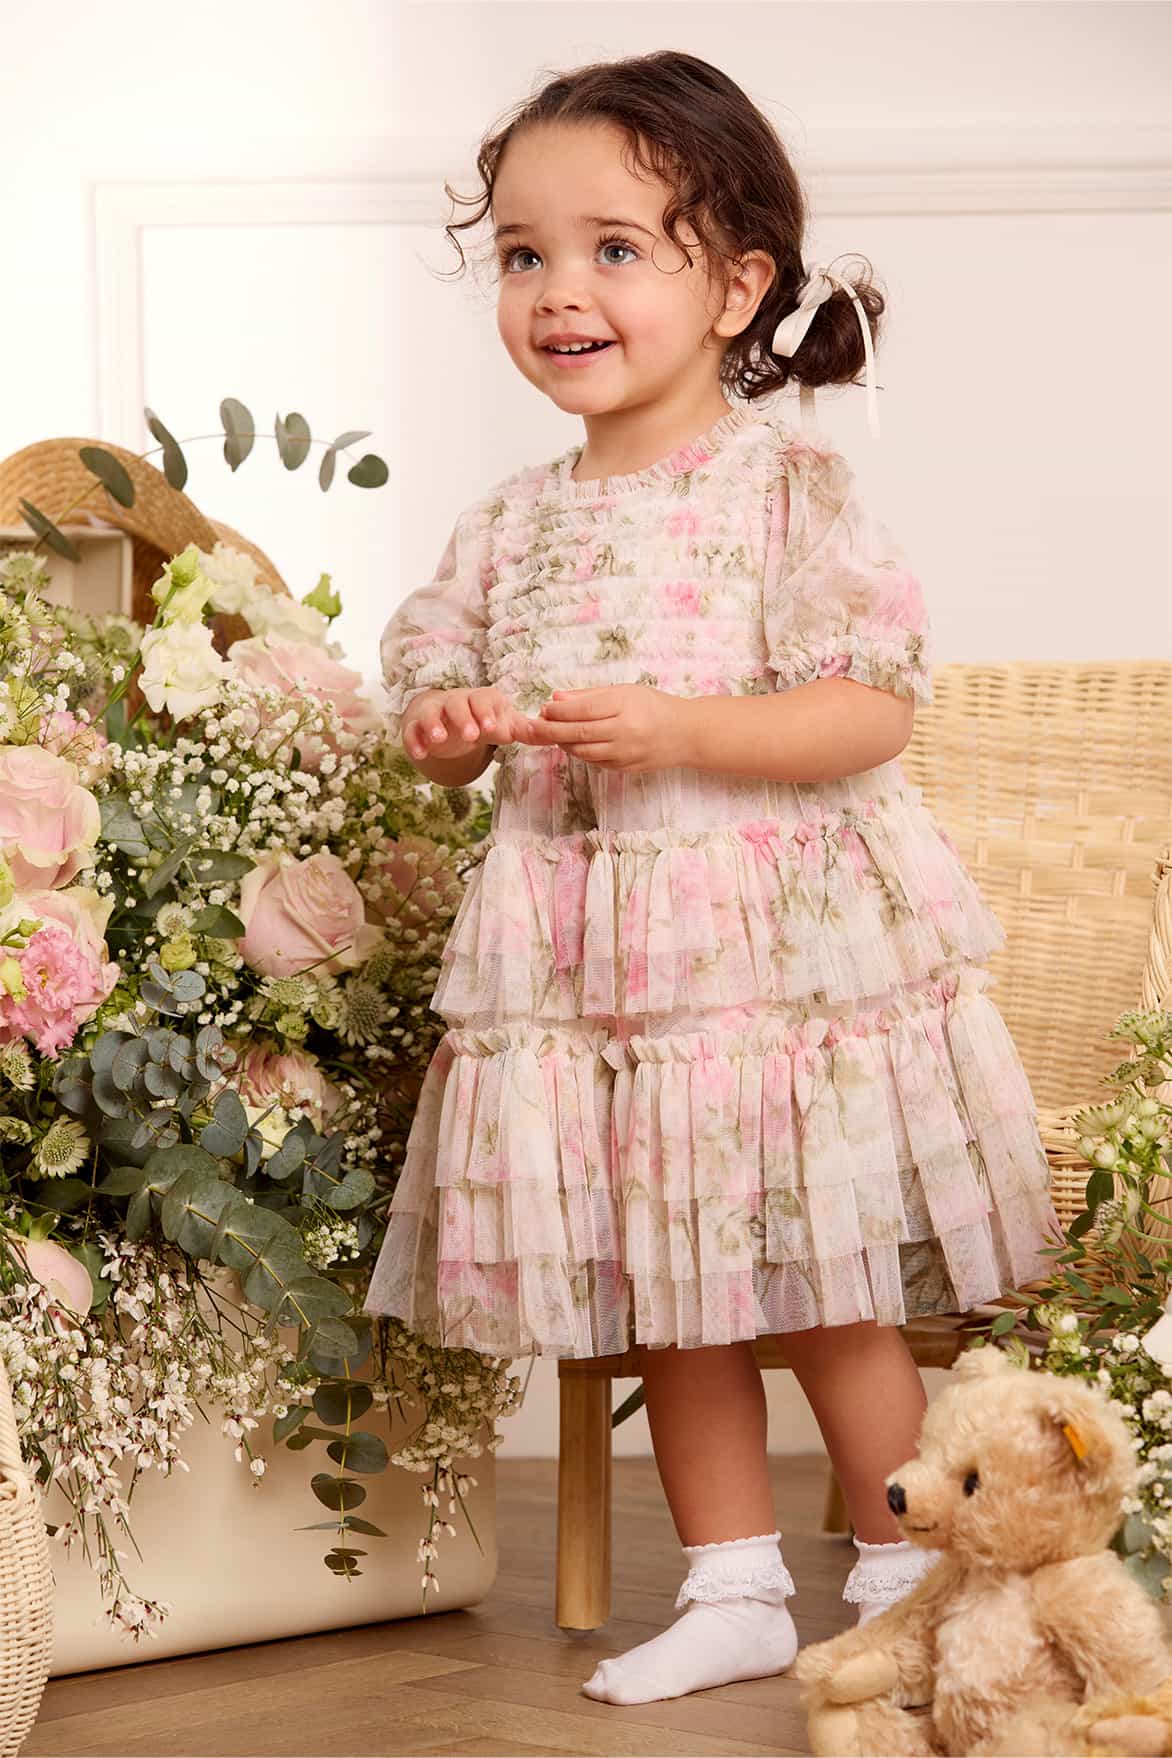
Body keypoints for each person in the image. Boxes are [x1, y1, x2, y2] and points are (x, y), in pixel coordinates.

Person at [362, 48, 1061, 1707]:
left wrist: (680, 724)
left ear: (736, 284)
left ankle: (904, 1574)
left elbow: (868, 707)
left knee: (828, 1286)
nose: (559, 290)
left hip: (774, 983)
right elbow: (434, 691)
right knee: (673, 1286)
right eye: (524, 253)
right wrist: (450, 725)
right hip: (608, 992)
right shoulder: (509, 525)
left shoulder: (785, 491)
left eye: (613, 247)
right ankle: (735, 1583)